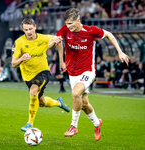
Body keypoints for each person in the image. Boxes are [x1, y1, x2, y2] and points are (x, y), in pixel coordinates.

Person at [48, 8, 130, 141]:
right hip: (72, 72)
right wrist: (59, 56)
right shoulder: (65, 29)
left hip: (87, 71)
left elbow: (109, 35)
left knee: (75, 94)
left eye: (71, 24)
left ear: (78, 21)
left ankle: (73, 126)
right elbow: (55, 43)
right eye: (67, 23)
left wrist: (120, 52)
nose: (69, 26)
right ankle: (97, 124)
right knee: (84, 103)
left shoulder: (91, 31)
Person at [11, 18, 70, 132]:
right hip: (28, 76)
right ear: (23, 30)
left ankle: (29, 124)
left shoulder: (44, 38)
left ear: (35, 27)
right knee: (41, 102)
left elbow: (58, 41)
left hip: (43, 72)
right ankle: (59, 103)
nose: (29, 32)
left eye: (30, 29)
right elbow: (13, 63)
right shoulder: (19, 42)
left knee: (33, 91)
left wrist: (62, 62)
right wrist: (22, 58)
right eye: (26, 29)